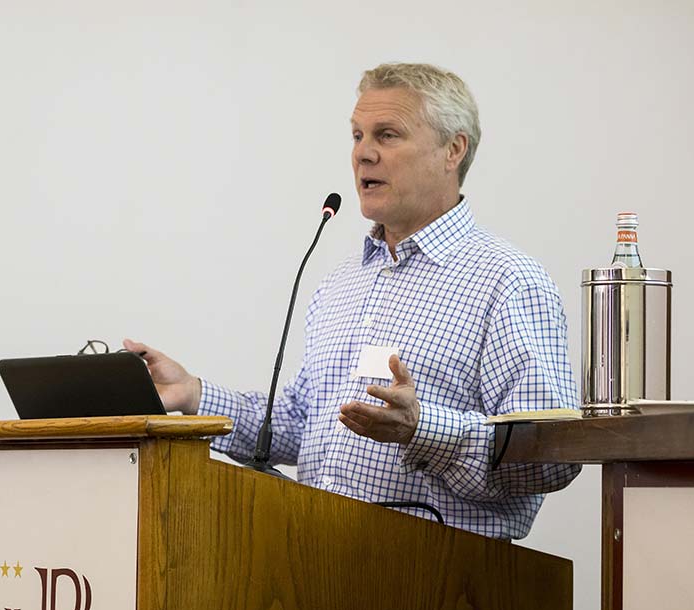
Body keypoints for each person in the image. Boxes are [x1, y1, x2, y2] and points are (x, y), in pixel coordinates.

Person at [124, 62, 580, 540]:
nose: (363, 154)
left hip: (443, 586)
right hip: (319, 563)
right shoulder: (342, 282)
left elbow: (547, 455)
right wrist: (193, 393)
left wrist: (423, 429)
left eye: (386, 135)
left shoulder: (508, 280)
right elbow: (304, 425)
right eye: (357, 135)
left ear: (453, 149)